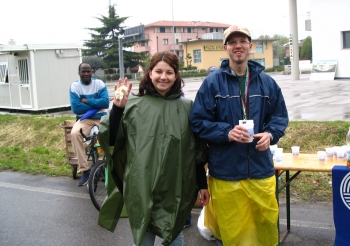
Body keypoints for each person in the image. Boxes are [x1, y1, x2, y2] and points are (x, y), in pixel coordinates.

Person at [189, 25, 289, 246]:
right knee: (232, 233)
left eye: (242, 41)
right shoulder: (212, 83)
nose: (238, 46)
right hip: (226, 172)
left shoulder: (267, 83)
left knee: (264, 226)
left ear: (250, 46)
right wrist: (226, 132)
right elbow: (197, 122)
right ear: (225, 48)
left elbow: (280, 117)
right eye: (233, 42)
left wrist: (270, 135)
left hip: (261, 169)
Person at [97, 52, 209, 246]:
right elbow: (113, 139)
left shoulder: (187, 108)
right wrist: (117, 110)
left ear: (176, 76)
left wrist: (202, 185)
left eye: (169, 72)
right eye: (158, 71)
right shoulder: (133, 106)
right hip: (142, 184)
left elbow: (196, 152)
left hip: (175, 186)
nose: (163, 77)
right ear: (150, 73)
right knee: (143, 238)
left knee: (174, 236)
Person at [70, 62, 109, 186]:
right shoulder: (75, 86)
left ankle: (99, 164)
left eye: (88, 71)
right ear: (79, 72)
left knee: (107, 134)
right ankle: (85, 170)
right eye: (83, 71)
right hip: (85, 119)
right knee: (75, 133)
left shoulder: (99, 84)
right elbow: (76, 108)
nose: (86, 73)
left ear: (92, 72)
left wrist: (86, 100)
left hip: (101, 117)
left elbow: (105, 103)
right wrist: (96, 104)